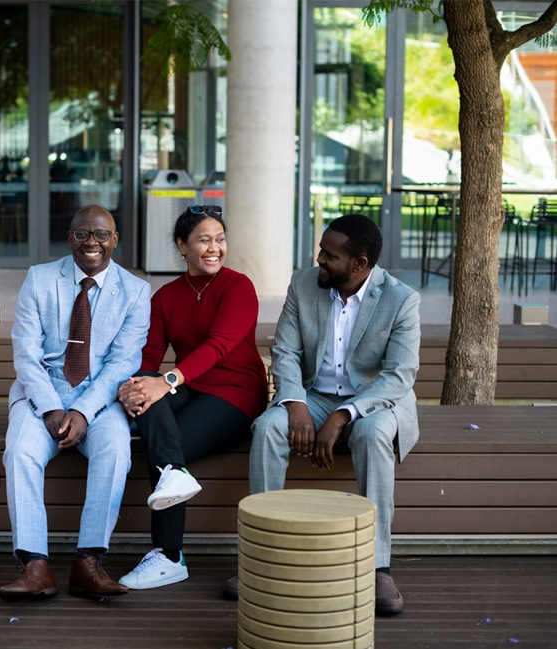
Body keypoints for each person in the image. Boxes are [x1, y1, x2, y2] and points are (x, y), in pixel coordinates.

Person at [227, 214, 420, 615]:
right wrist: (294, 402)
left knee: (371, 435)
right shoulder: (303, 285)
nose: (319, 259)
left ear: (360, 264)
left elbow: (398, 376)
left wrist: (344, 415)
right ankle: (265, 554)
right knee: (267, 428)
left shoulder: (401, 299)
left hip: (375, 402)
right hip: (312, 396)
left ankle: (378, 566)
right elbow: (286, 353)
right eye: (320, 250)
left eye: (330, 255)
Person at [0, 205, 151, 602]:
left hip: (98, 400)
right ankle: (34, 566)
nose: (91, 243)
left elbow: (123, 362)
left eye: (101, 235)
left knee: (117, 449)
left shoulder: (135, 291)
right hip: (41, 394)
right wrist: (51, 408)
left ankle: (88, 563)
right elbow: (26, 353)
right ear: (70, 238)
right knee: (20, 452)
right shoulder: (41, 278)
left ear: (115, 240)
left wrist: (82, 410)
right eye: (82, 234)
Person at [115, 205, 268, 589]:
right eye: (204, 240)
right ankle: (174, 481)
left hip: (237, 393)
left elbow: (218, 347)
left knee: (169, 443)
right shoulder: (166, 296)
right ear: (182, 246)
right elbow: (149, 357)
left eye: (219, 239)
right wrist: (134, 388)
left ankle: (168, 555)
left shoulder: (239, 287)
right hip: (192, 386)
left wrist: (165, 381)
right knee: (146, 386)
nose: (214, 248)